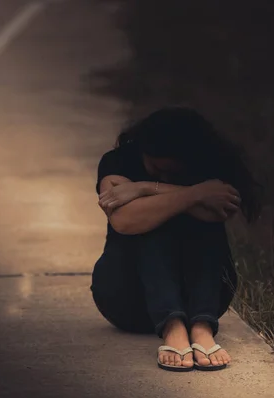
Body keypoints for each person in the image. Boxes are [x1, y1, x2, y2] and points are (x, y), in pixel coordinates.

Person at [90, 107, 261, 372]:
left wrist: (146, 188)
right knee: (148, 222)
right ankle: (172, 325)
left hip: (204, 301)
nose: (164, 177)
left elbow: (220, 212)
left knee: (204, 223)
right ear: (144, 150)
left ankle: (202, 328)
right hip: (128, 298)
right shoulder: (119, 161)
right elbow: (124, 221)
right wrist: (199, 193)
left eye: (174, 172)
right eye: (157, 169)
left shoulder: (208, 163)